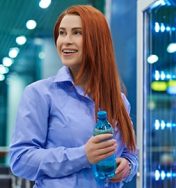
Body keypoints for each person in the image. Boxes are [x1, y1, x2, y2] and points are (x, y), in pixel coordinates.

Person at [9, 4, 138, 188]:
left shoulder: (119, 101)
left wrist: (128, 167)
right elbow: (20, 159)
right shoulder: (40, 94)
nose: (66, 41)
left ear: (97, 40)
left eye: (77, 33)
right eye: (62, 33)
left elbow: (130, 154)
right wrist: (83, 155)